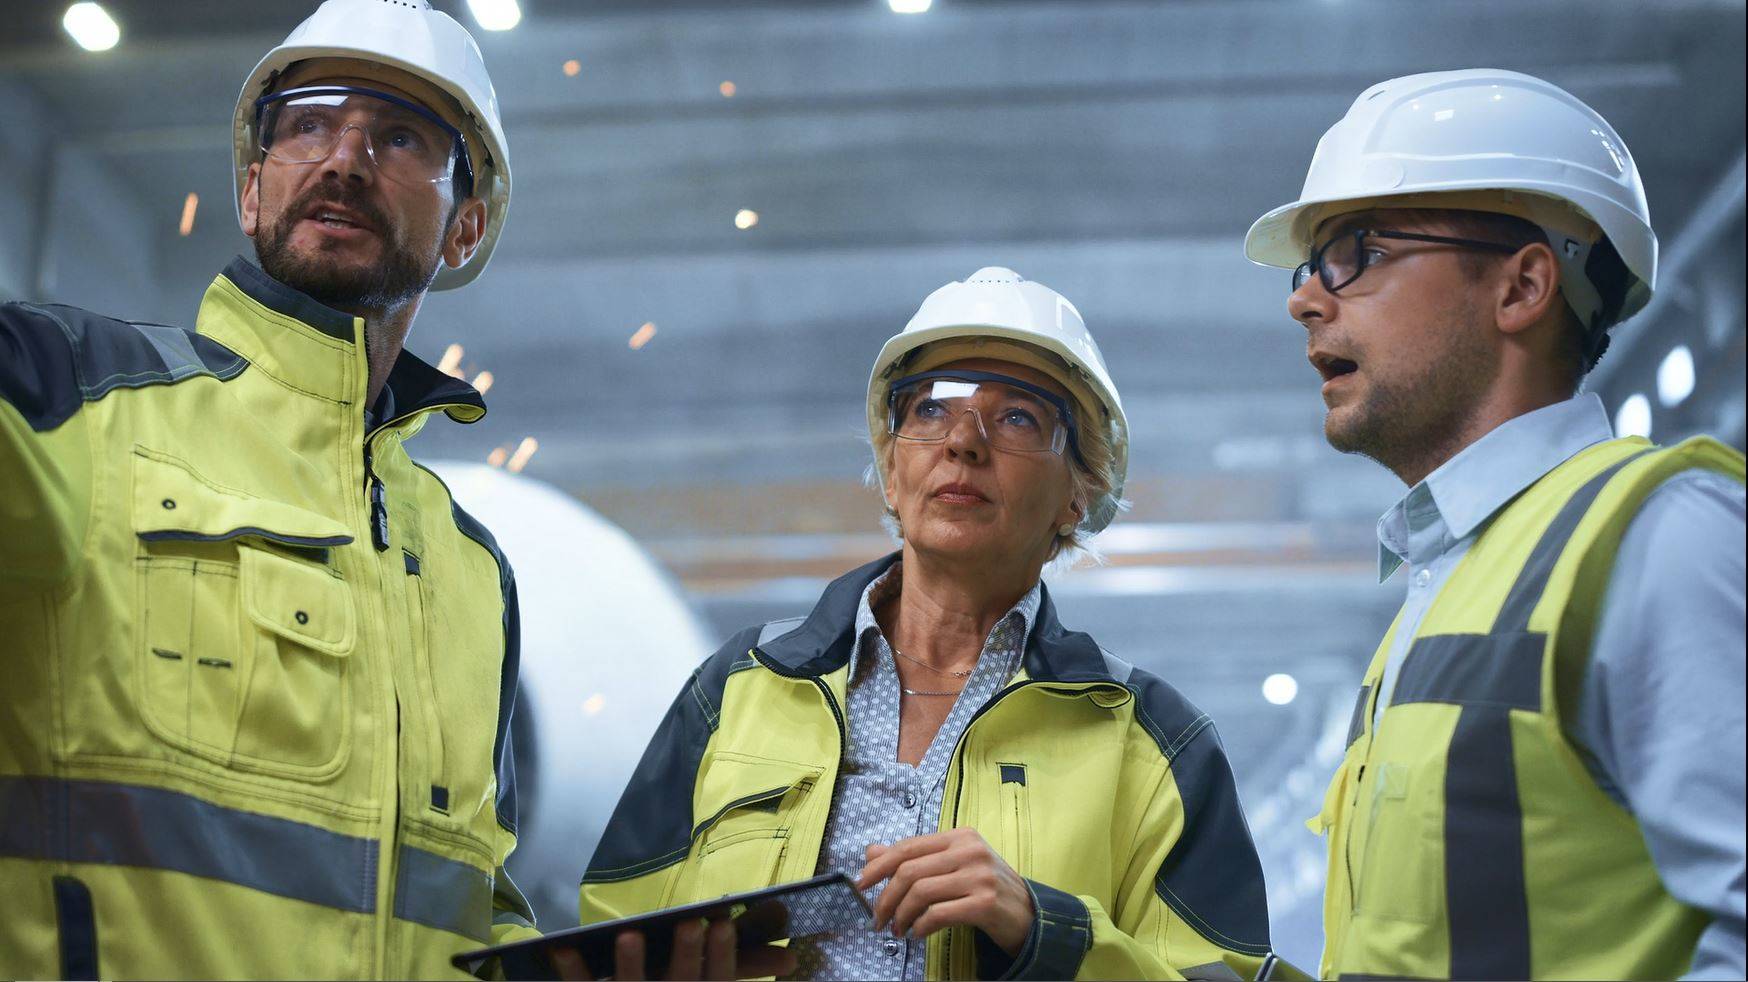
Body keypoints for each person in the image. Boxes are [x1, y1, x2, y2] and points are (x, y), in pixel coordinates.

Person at [0, 1, 540, 976]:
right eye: (308, 124)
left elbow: (466, 902)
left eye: (401, 136)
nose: (344, 159)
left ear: (465, 226)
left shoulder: (471, 571)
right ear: (252, 190)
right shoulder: (63, 396)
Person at [578, 267, 1275, 980]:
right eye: (933, 410)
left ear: (1076, 495)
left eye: (1017, 418)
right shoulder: (736, 690)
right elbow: (605, 938)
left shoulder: (1157, 745)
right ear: (890, 469)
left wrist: (1046, 932)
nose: (964, 443)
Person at [1244, 68, 1746, 979]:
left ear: (1522, 288)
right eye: (1309, 266)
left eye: (1358, 250)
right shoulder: (1439, 593)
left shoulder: (1657, 541)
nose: (1305, 299)